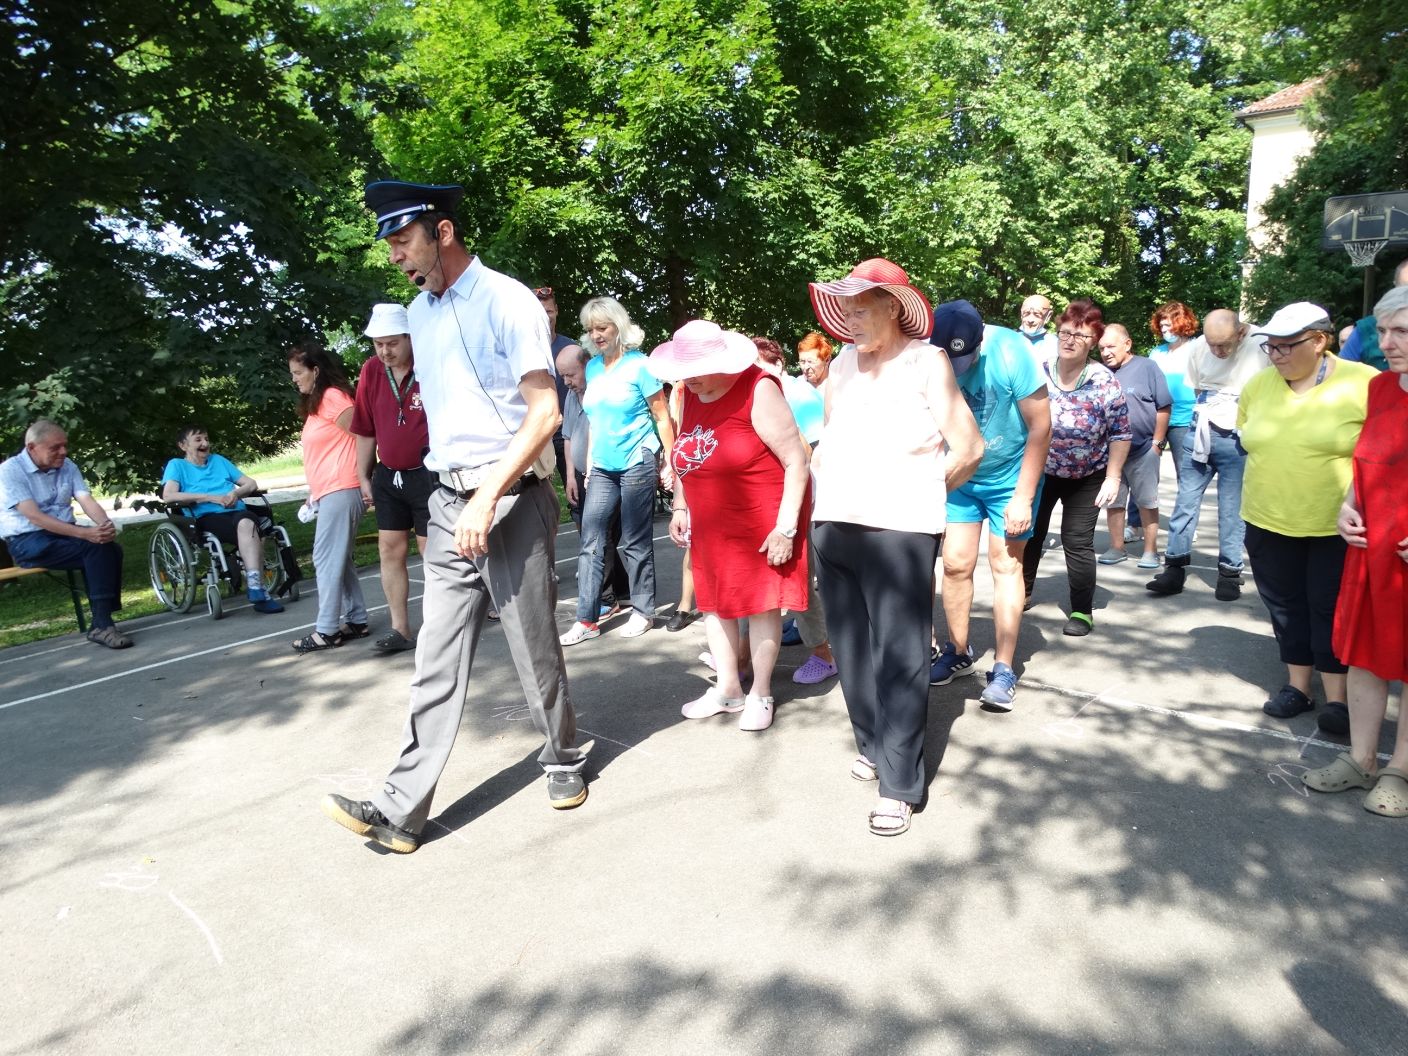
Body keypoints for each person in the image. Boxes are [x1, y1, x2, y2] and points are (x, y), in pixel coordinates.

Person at [321, 180, 587, 855]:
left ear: (442, 232)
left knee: (532, 645)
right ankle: (400, 809)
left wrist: (489, 494)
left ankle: (562, 756)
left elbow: (545, 413)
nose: (395, 257)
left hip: (512, 496)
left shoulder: (507, 300)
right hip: (447, 502)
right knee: (435, 654)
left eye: (403, 240)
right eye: (389, 245)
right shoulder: (420, 313)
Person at [808, 258, 983, 836]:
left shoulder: (926, 361)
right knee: (852, 650)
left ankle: (900, 783)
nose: (851, 320)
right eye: (847, 310)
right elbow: (830, 438)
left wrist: (922, 493)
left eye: (863, 309)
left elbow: (969, 447)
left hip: (900, 530)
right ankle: (874, 744)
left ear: (894, 308)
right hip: (834, 525)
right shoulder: (840, 365)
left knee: (901, 656)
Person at [652, 321, 811, 732]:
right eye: (683, 371)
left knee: (761, 605)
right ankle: (728, 690)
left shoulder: (759, 388)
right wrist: (680, 505)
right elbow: (687, 453)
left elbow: (796, 461)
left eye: (696, 369)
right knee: (714, 603)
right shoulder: (691, 392)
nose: (688, 378)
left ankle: (761, 692)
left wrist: (786, 528)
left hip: (761, 518)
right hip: (711, 521)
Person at [1237, 302, 1375, 732]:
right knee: (1284, 605)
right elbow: (1247, 435)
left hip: (1335, 524)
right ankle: (1298, 687)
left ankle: (1338, 698)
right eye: (1270, 347)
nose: (1276, 355)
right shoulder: (1258, 385)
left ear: (1319, 341)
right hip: (1267, 517)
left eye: (1286, 346)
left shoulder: (1364, 382)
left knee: (1329, 607)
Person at [1303, 286, 1408, 813]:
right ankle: (1362, 759)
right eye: (1383, 331)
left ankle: (1401, 771)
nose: (1386, 343)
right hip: (1371, 547)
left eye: (1401, 332)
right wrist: (1348, 504)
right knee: (1366, 655)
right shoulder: (1383, 388)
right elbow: (1369, 459)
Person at [928, 301, 1051, 710]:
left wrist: (1023, 497)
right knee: (954, 564)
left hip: (1009, 476)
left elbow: (1041, 426)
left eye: (963, 360)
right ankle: (957, 651)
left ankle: (1003, 669)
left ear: (979, 344)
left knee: (1005, 564)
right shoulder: (927, 352)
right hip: (960, 472)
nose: (957, 370)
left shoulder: (1013, 351)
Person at [559, 296, 674, 645]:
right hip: (603, 466)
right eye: (591, 329)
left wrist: (671, 460)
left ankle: (643, 611)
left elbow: (662, 416)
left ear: (618, 326)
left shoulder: (641, 366)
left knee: (635, 540)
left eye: (602, 327)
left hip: (637, 460)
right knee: (591, 539)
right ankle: (587, 619)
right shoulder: (593, 368)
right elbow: (594, 420)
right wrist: (590, 464)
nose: (596, 335)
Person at [1020, 300, 1131, 638]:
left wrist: (1113, 477)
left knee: (1077, 541)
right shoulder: (1038, 371)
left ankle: (1082, 610)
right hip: (1041, 470)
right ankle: (1022, 593)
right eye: (1065, 333)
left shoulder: (1104, 381)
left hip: (1088, 475)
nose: (1069, 341)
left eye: (1080, 336)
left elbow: (1121, 433)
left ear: (1093, 341)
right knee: (1030, 533)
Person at [1146, 309, 1268, 601]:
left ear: (1240, 332)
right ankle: (1174, 567)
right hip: (1201, 427)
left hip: (1238, 433)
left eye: (1224, 345)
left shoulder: (1262, 343)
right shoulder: (1200, 346)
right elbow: (1198, 388)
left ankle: (1230, 572)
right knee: (1185, 501)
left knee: (1231, 507)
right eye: (1213, 344)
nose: (1218, 351)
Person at [0, 420, 131, 648]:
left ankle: (102, 622)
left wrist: (105, 526)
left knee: (109, 548)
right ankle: (102, 623)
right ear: (32, 447)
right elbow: (35, 517)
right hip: (27, 540)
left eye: (65, 445)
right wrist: (85, 534)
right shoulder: (9, 471)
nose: (63, 452)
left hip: (63, 534)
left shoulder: (67, 465)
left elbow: (86, 500)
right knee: (95, 549)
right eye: (55, 447)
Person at [752, 336, 835, 684]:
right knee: (765, 580)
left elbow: (816, 452)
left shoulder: (797, 395)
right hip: (769, 500)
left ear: (777, 365)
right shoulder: (756, 392)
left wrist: (798, 507)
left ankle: (824, 654)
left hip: (806, 501)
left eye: (758, 365)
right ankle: (742, 655)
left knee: (800, 578)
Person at [351, 303, 433, 652]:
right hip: (389, 475)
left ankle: (440, 627)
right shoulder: (371, 371)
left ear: (410, 338)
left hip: (428, 473)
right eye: (378, 344)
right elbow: (365, 429)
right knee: (389, 549)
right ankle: (401, 629)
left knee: (432, 551)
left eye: (392, 343)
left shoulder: (429, 363)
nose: (385, 351)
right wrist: (363, 475)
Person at [288, 343, 369, 652]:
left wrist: (365, 478)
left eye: (298, 372)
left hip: (343, 488)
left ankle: (327, 629)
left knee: (325, 558)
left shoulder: (333, 397)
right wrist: (315, 493)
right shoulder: (319, 402)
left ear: (315, 370)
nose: (294, 379)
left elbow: (363, 435)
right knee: (339, 559)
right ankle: (357, 620)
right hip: (330, 491)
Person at [160, 425, 284, 615]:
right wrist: (208, 498)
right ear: (183, 446)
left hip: (237, 512)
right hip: (206, 517)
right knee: (251, 528)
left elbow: (250, 483)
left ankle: (255, 587)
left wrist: (236, 493)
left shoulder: (218, 460)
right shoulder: (177, 465)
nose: (205, 443)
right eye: (198, 440)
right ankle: (259, 590)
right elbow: (169, 496)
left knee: (248, 522)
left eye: (206, 439)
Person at [556, 340, 630, 618]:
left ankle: (607, 597)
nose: (566, 382)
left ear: (587, 365)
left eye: (570, 375)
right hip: (580, 473)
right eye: (562, 376)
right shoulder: (571, 395)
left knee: (601, 534)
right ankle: (621, 588)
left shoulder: (604, 390)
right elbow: (567, 437)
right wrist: (570, 476)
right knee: (595, 534)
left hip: (606, 472)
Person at [1095, 323, 1170, 569]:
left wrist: (1157, 443)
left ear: (1127, 344)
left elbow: (1163, 406)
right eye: (1101, 348)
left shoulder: (1147, 367)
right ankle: (1117, 547)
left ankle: (1150, 551)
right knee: (1114, 502)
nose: (1106, 353)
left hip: (1143, 449)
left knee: (1147, 502)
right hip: (1111, 454)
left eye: (1111, 346)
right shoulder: (1099, 372)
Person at [1126, 300, 1198, 539]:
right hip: (1155, 418)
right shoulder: (1156, 352)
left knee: (1186, 475)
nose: (1165, 330)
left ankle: (1186, 527)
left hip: (1184, 419)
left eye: (1169, 326)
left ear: (1183, 323)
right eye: (1162, 326)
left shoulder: (1197, 349)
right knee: (1141, 471)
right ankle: (1134, 524)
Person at [534, 285, 577, 484]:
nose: (545, 317)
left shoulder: (571, 349)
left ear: (557, 311)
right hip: (536, 433)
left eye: (549, 311)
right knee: (535, 494)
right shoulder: (522, 349)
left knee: (579, 491)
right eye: (539, 312)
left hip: (567, 432)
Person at [1339, 257, 1408, 371]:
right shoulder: (1365, 329)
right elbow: (1342, 374)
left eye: (1401, 331)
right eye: (1404, 289)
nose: (1385, 345)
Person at [1016, 294, 1059, 366]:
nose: (1030, 320)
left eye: (1037, 315)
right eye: (1026, 314)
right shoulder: (1008, 340)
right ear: (1021, 314)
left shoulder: (1056, 345)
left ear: (1048, 316)